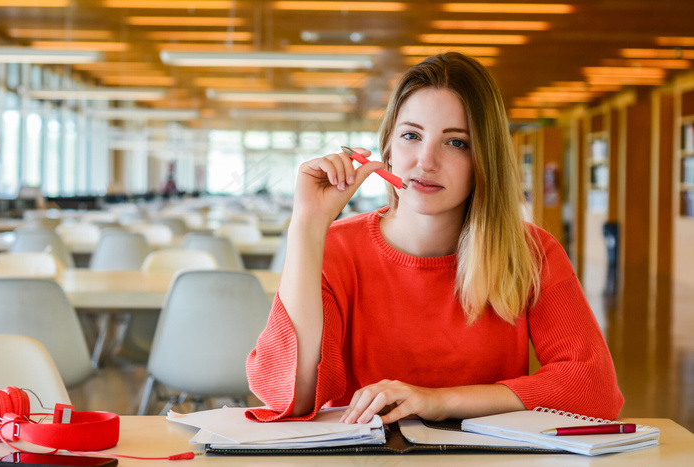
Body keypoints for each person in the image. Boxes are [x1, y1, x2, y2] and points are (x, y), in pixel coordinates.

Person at [246, 52, 624, 425]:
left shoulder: (530, 252)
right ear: (388, 150)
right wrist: (308, 224)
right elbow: (289, 397)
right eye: (411, 135)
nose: (426, 161)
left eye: (456, 142)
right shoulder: (335, 249)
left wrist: (439, 401)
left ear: (483, 160)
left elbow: (595, 390)